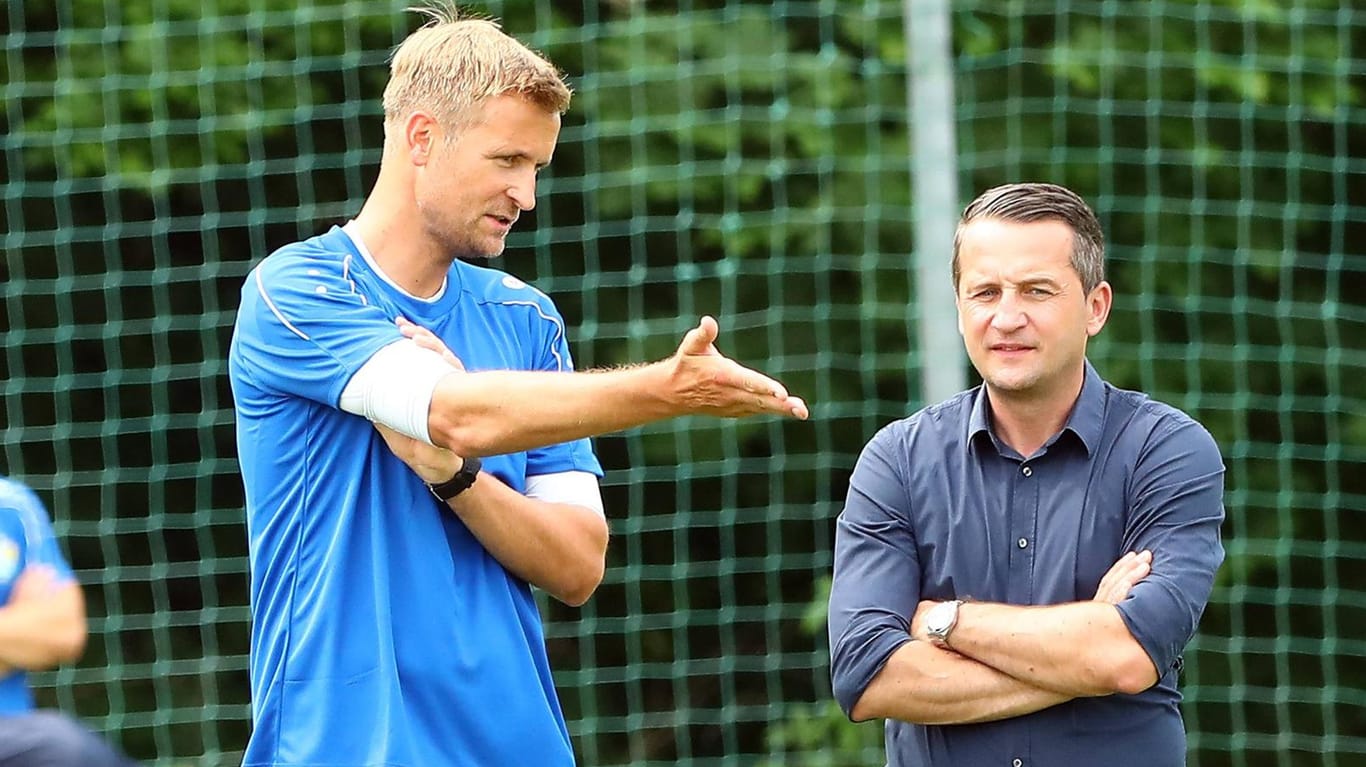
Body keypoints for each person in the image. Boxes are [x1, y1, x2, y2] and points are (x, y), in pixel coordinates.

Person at [227, 6, 807, 767]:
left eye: (536, 166)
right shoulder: (295, 291)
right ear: (422, 137)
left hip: (515, 745)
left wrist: (458, 479)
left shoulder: (525, 317)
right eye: (507, 160)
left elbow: (576, 565)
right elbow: (452, 412)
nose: (526, 194)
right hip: (344, 744)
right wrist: (668, 389)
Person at [827, 182, 1226, 766]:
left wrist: (942, 620)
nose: (1006, 317)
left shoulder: (1166, 452)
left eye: (1037, 291)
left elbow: (1126, 656)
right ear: (959, 308)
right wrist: (1083, 653)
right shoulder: (897, 461)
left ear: (1096, 307)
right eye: (984, 292)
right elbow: (867, 678)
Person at [0, 476, 138, 767]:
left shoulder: (11, 503)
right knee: (61, 745)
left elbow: (64, 631)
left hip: (13, 731)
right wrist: (18, 625)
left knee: (71, 752)